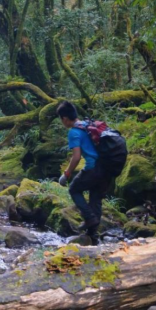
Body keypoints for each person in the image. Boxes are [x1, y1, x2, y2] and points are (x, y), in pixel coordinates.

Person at [57, 101, 127, 243]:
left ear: (64, 118)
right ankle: (92, 236)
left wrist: (67, 174)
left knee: (74, 190)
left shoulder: (74, 132)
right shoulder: (87, 125)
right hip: (106, 168)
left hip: (93, 168)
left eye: (61, 119)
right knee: (96, 198)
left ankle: (89, 218)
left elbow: (76, 157)